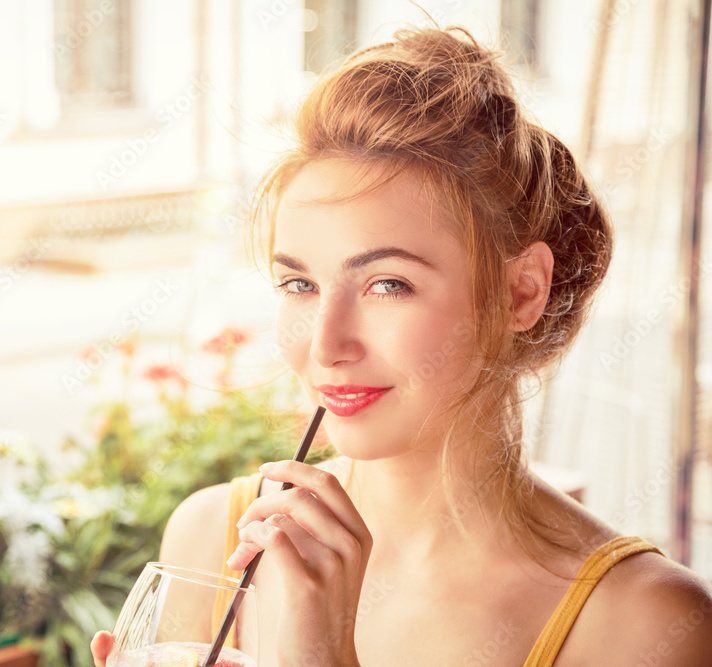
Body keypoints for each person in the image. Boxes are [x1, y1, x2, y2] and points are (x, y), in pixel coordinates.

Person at [92, 25, 712, 666]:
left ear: (520, 293)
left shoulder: (646, 623)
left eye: (388, 284)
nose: (326, 345)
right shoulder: (214, 537)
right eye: (299, 283)